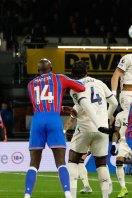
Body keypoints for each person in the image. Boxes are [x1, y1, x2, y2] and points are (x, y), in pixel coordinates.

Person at [25, 58, 86, 198]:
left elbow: (41, 103)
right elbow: (81, 87)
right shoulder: (59, 78)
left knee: (33, 163)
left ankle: (27, 195)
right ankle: (67, 194)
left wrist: (62, 108)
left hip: (38, 120)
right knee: (60, 162)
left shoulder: (30, 84)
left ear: (38, 70)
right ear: (51, 66)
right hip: (53, 120)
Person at [66, 60, 118, 198]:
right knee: (101, 164)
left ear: (73, 75)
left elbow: (85, 105)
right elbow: (114, 102)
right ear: (87, 71)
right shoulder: (99, 83)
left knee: (73, 160)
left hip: (85, 127)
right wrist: (106, 118)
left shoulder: (74, 87)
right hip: (103, 129)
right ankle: (105, 196)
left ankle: (71, 195)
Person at [110, 109, 132, 198]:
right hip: (124, 142)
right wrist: (113, 144)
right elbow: (116, 132)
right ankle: (123, 188)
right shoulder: (120, 115)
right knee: (118, 162)